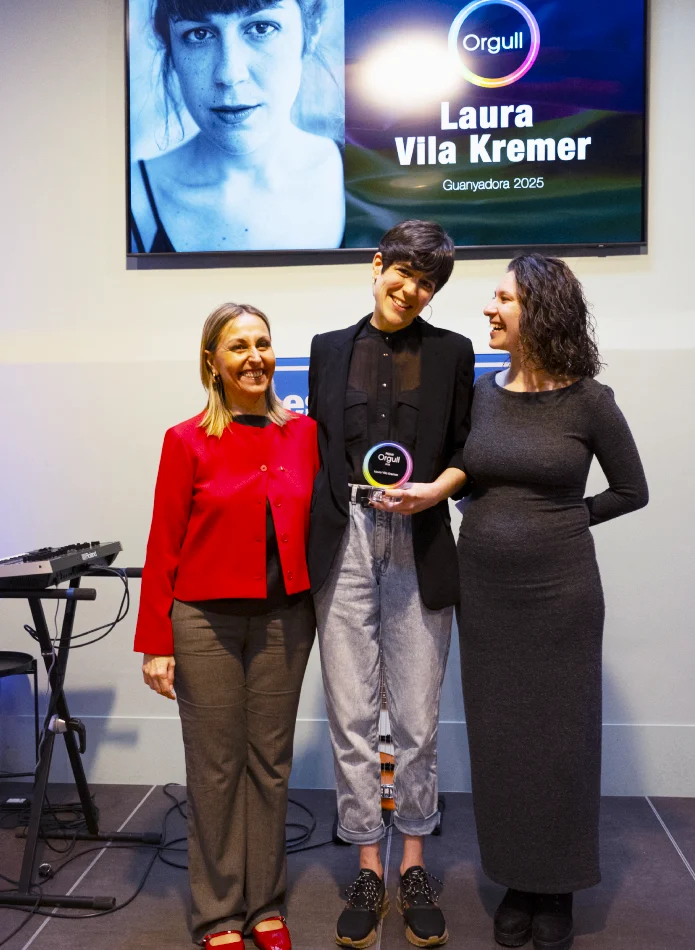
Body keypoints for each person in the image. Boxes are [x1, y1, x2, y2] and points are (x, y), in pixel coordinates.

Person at [456, 255, 649, 950]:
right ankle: (516, 880)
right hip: (484, 592)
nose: (489, 308)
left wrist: (565, 520)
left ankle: (556, 885)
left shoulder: (590, 401)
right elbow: (458, 474)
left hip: (561, 594)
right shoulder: (478, 394)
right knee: (500, 740)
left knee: (561, 741)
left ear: (539, 310)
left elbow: (632, 490)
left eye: (502, 298)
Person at [308, 220, 474, 948]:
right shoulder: (327, 348)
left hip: (419, 536)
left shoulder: (454, 353)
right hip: (344, 537)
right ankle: (367, 867)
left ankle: (412, 865)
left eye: (427, 284)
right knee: (350, 717)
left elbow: (467, 447)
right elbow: (315, 449)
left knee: (415, 720)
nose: (411, 290)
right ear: (378, 265)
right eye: (403, 273)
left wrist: (436, 490)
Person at [134, 303, 319, 950]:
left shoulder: (305, 435)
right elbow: (163, 544)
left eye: (263, 343)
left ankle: (265, 906)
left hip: (285, 620)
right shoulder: (185, 440)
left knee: (270, 764)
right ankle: (218, 914)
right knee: (216, 769)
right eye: (238, 346)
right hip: (204, 622)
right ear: (212, 361)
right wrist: (155, 643)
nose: (254, 357)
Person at [129, 0, 343, 252]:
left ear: (312, 30)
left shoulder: (368, 179)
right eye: (199, 34)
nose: (229, 74)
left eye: (262, 28)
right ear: (170, 46)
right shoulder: (128, 199)